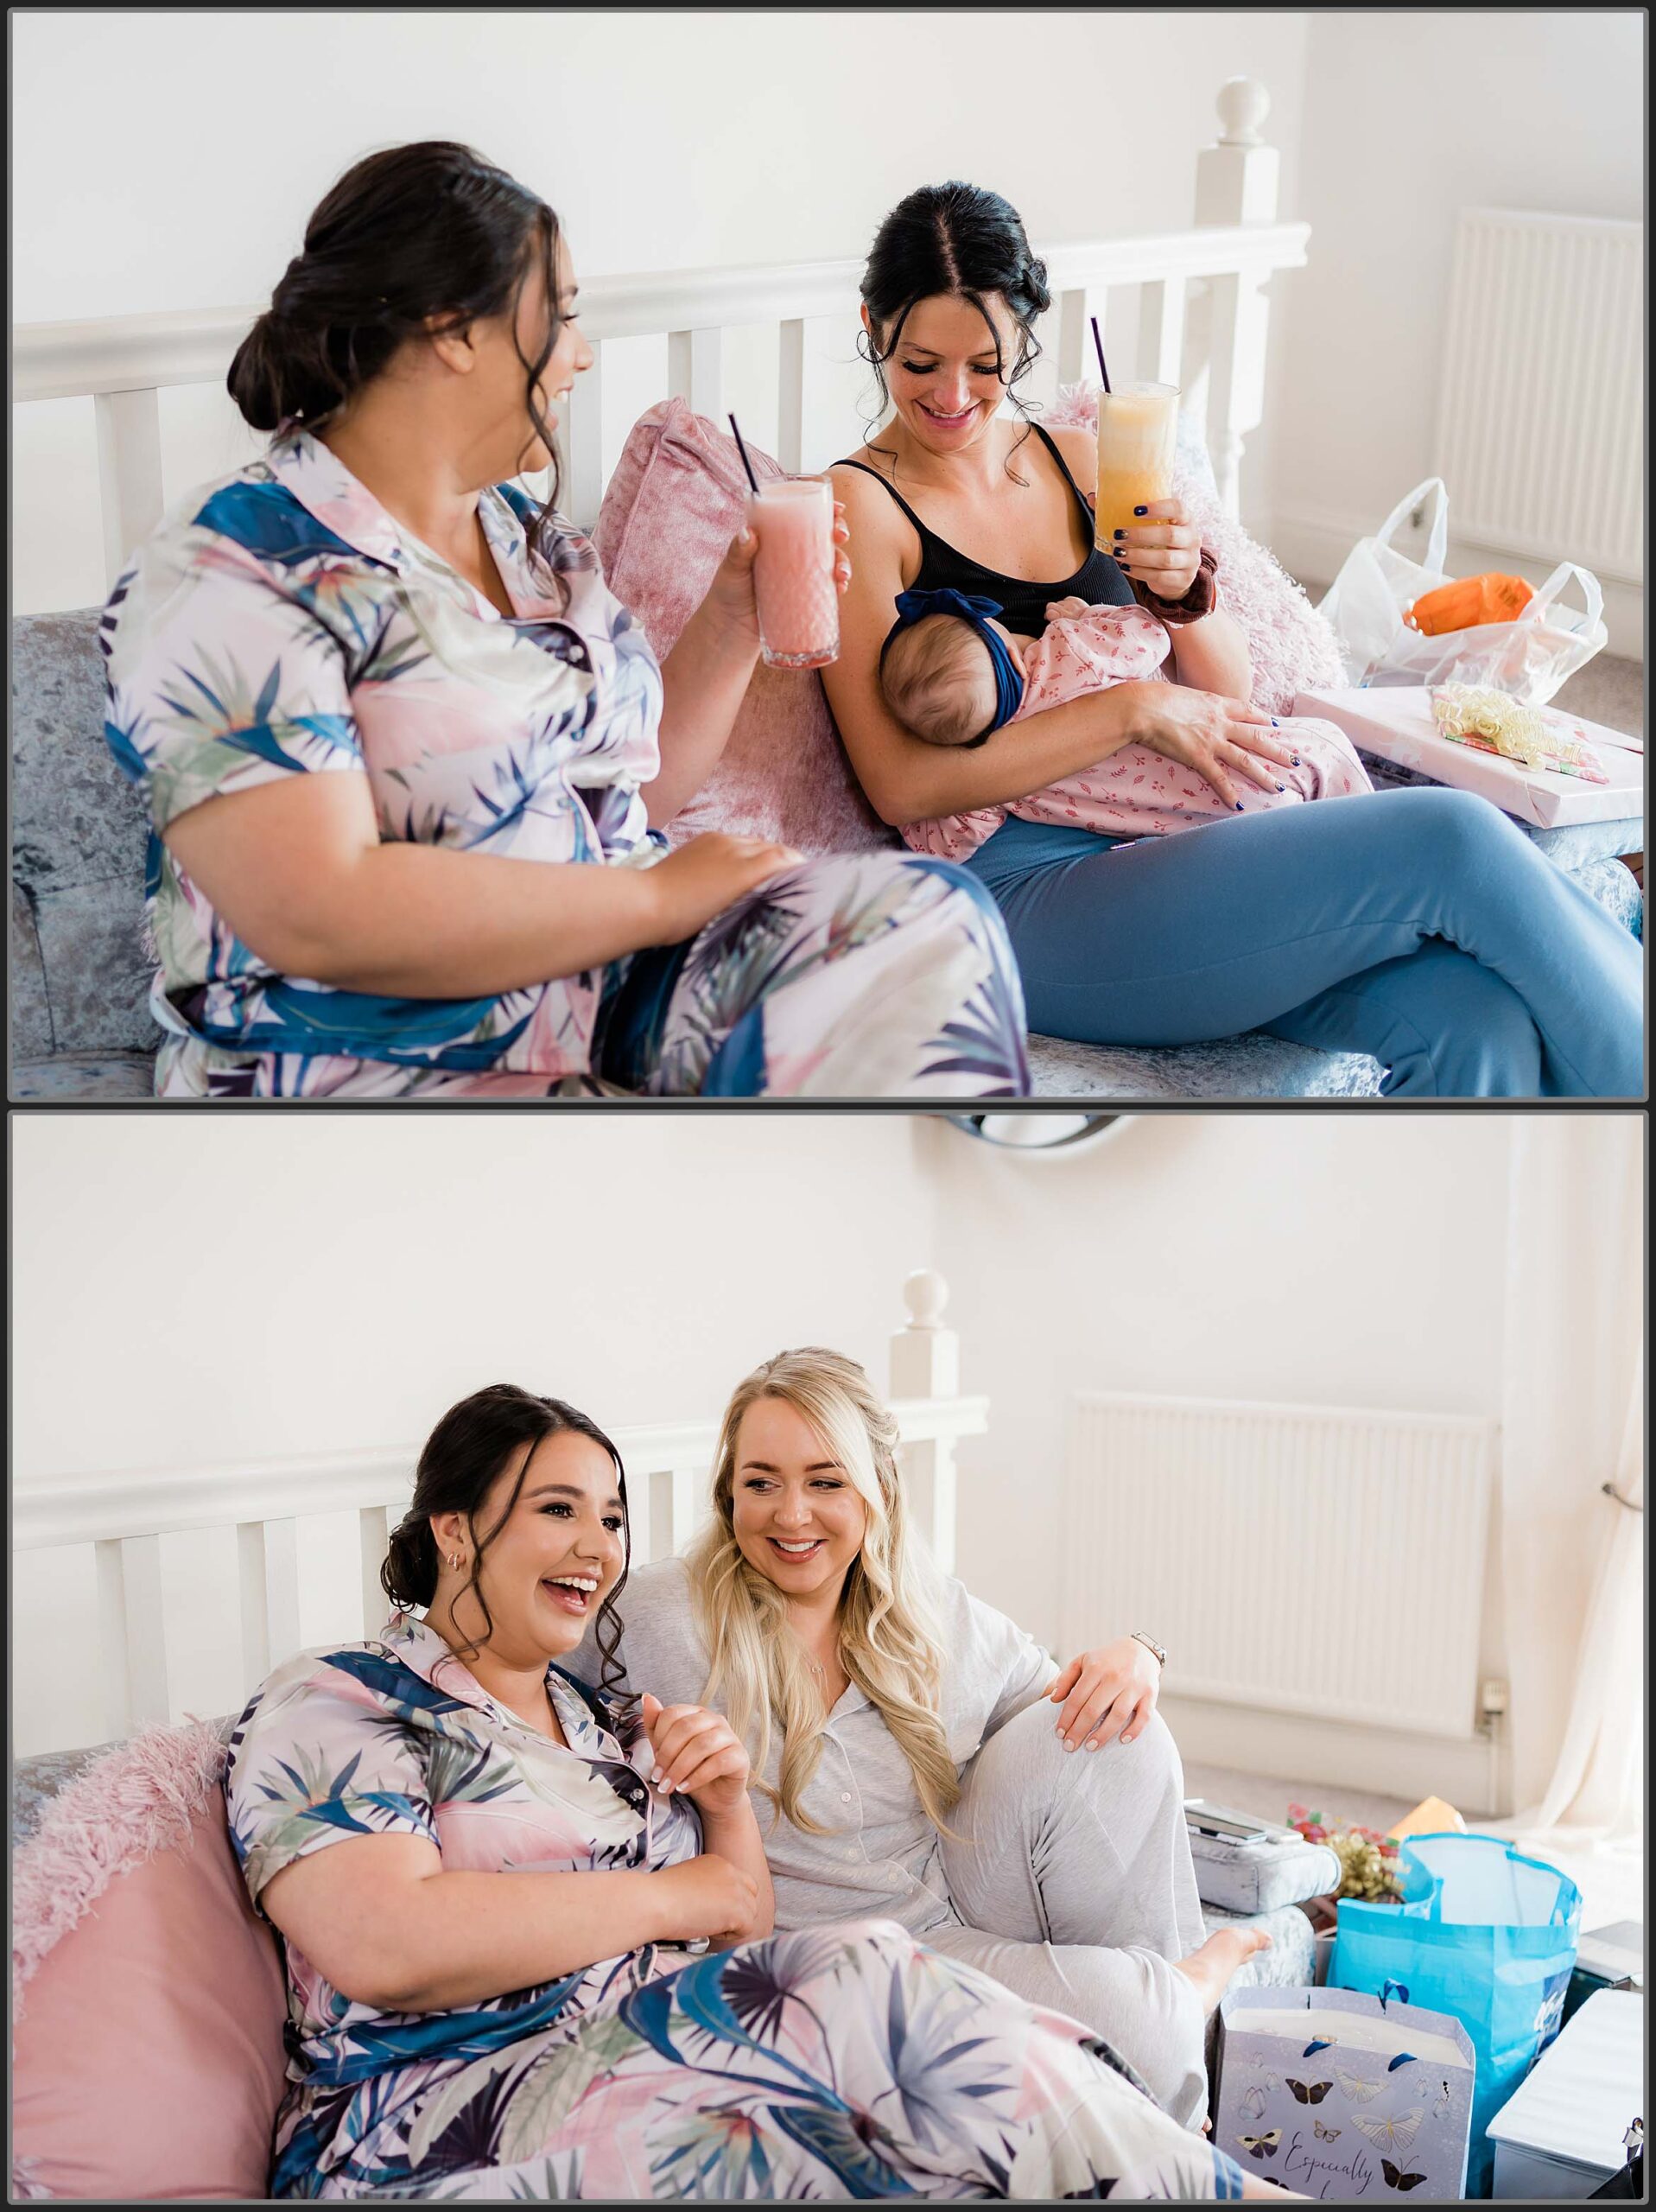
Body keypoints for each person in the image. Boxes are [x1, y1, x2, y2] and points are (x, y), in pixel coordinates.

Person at [101, 143, 1028, 1099]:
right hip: (381, 1049)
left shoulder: (523, 540)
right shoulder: (238, 565)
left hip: (613, 989)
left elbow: (635, 792)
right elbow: (314, 909)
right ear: (455, 328)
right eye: (567, 315)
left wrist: (734, 613)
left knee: (923, 926)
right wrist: (650, 895)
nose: (582, 354)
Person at [225, 1382, 1280, 2200]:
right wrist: (685, 1897)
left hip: (666, 2044)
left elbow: (742, 1911)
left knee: (896, 2034)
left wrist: (724, 1803)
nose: (597, 1548)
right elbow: (385, 1942)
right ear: (456, 1528)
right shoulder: (340, 1700)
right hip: (457, 2107)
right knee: (865, 1974)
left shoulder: (598, 1728)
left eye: (612, 1517)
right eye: (559, 1510)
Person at [820, 181, 1642, 1097]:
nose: (953, 395)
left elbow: (1229, 699)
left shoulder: (1080, 461)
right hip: (1024, 892)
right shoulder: (857, 505)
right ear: (872, 326)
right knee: (1448, 836)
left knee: (1471, 1020)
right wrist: (1131, 710)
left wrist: (1184, 598)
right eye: (921, 362)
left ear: (1024, 334)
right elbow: (899, 780)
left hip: (1178, 839)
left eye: (985, 363)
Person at [571, 1346, 1272, 2135]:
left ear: (877, 1490)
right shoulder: (658, 1614)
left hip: (949, 1909)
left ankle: (1155, 1992)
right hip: (815, 1962)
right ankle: (1177, 1996)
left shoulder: (928, 1608)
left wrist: (1139, 1656)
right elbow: (516, 1659)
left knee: (1122, 1736)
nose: (791, 1515)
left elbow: (1060, 1722)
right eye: (760, 1482)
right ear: (727, 1492)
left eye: (825, 1482)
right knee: (1134, 2023)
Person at [878, 583, 1373, 854]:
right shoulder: (1068, 654)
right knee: (1335, 764)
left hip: (1209, 836)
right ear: (1003, 640)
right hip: (1263, 762)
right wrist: (1086, 616)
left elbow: (946, 843)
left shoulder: (1003, 778)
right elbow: (1149, 635)